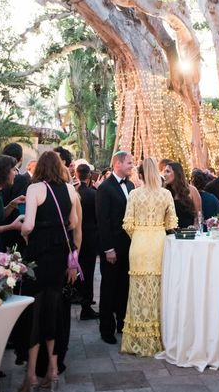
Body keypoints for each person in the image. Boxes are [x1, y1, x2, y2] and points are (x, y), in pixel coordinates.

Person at [20, 150, 79, 392]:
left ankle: (31, 375)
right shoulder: (70, 190)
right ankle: (53, 370)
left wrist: (22, 228)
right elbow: (73, 223)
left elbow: (29, 225)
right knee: (52, 312)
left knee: (34, 314)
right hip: (58, 257)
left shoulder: (35, 189)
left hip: (38, 255)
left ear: (40, 168)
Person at [121, 158, 178, 356]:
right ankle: (159, 337)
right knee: (158, 291)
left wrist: (138, 235)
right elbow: (172, 222)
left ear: (141, 174)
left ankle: (137, 340)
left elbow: (128, 223)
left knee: (138, 291)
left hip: (139, 243)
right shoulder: (166, 194)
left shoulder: (134, 194)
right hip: (159, 243)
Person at [95, 150, 134, 344]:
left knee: (124, 286)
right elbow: (102, 221)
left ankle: (122, 323)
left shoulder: (131, 185)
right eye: (129, 162)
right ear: (117, 164)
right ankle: (106, 329)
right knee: (109, 287)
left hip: (129, 246)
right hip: (112, 246)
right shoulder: (105, 188)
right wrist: (108, 248)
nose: (132, 166)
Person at [75, 163, 99, 320]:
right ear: (89, 175)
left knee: (78, 268)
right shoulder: (93, 193)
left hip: (76, 236)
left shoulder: (73, 192)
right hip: (90, 237)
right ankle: (86, 304)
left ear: (77, 174)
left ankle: (78, 296)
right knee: (88, 271)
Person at [163, 162, 197, 227]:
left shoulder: (192, 190)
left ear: (177, 173)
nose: (164, 175)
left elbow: (198, 214)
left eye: (168, 171)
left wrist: (194, 228)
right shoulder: (165, 192)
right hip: (170, 233)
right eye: (164, 172)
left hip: (189, 232)